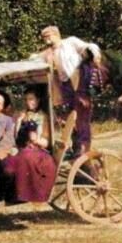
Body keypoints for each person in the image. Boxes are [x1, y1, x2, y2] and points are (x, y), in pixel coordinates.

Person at [34, 25, 102, 156]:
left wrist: (94, 54)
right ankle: (76, 147)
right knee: (71, 117)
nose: (46, 40)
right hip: (65, 85)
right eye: (44, 38)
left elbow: (88, 46)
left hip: (79, 80)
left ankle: (84, 146)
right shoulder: (48, 52)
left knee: (82, 114)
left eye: (48, 37)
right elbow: (36, 58)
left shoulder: (70, 42)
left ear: (56, 35)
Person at [2, 90, 59, 204]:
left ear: (37, 100)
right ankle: (11, 196)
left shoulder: (44, 117)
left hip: (39, 151)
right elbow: (15, 137)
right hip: (22, 148)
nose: (28, 102)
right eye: (26, 99)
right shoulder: (23, 115)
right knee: (8, 162)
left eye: (31, 99)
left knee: (25, 157)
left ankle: (25, 195)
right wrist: (18, 122)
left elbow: (46, 142)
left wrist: (36, 139)